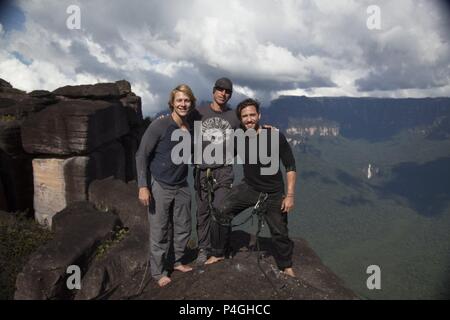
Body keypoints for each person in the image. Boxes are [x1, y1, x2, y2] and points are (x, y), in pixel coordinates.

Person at [205, 98, 297, 277]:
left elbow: (290, 166)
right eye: (245, 116)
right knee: (221, 211)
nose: (249, 119)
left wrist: (290, 195)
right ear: (241, 119)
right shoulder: (238, 135)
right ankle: (217, 253)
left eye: (252, 115)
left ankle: (286, 265)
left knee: (279, 231)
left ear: (259, 115)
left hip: (273, 192)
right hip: (250, 187)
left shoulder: (274, 136)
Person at [135, 84, 196, 287]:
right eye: (179, 100)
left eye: (186, 100)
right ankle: (158, 272)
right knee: (159, 230)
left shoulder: (190, 127)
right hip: (160, 184)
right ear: (172, 103)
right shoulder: (159, 125)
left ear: (191, 103)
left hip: (181, 184)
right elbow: (142, 154)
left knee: (183, 227)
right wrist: (143, 186)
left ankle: (176, 261)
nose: (183, 104)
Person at [190, 77, 241, 264]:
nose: (223, 93)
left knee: (221, 209)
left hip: (224, 170)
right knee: (202, 211)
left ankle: (220, 247)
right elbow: (179, 124)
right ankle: (203, 249)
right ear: (213, 91)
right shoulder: (198, 112)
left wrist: (266, 129)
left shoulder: (234, 116)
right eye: (220, 90)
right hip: (202, 170)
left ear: (230, 95)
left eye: (227, 91)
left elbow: (250, 130)